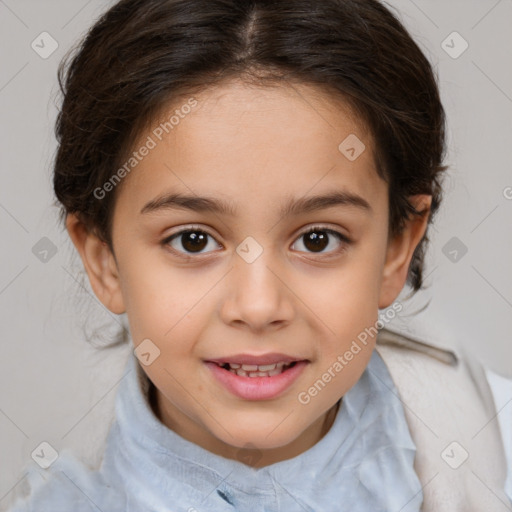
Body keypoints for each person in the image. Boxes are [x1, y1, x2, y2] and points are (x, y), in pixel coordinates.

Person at [7, 0, 510, 510]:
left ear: (395, 248)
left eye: (318, 239)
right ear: (104, 261)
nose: (258, 306)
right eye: (193, 240)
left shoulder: (490, 453)